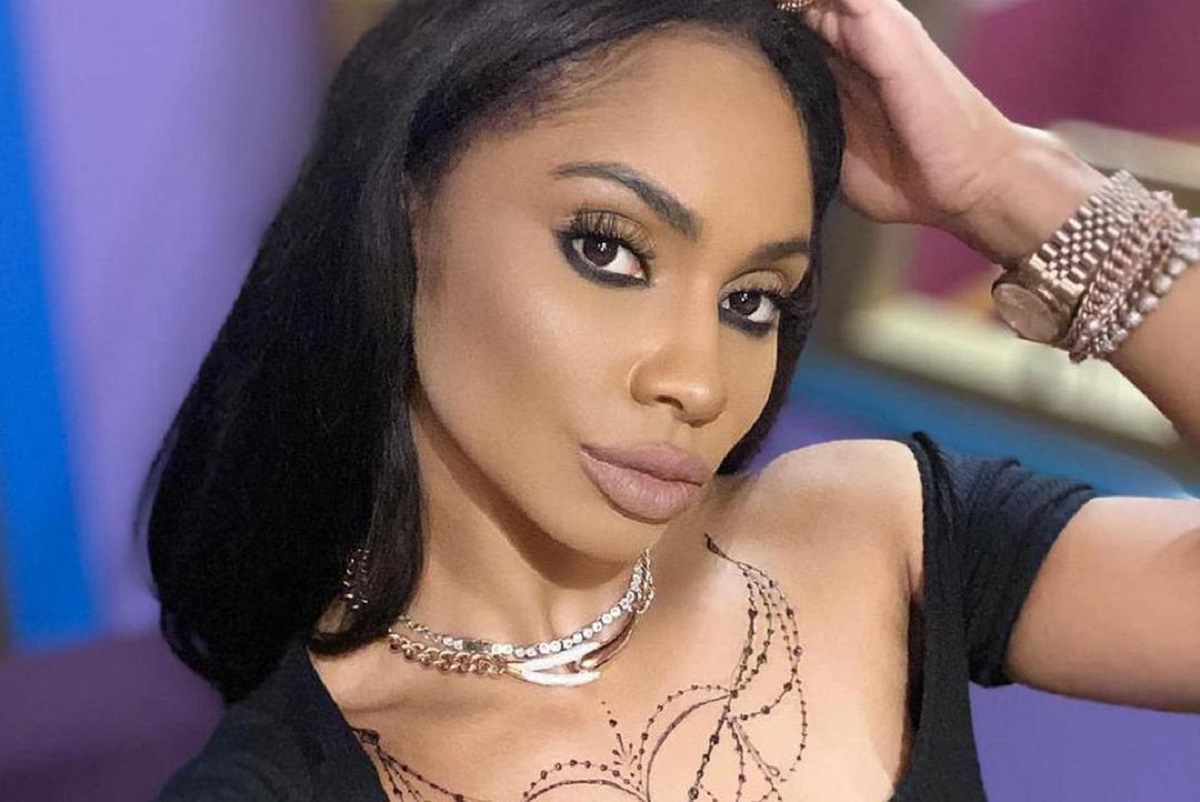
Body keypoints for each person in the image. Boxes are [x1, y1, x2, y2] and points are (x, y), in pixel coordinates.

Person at [147, 0, 1200, 799]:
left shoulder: (880, 534)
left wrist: (1004, 183)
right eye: (607, 250)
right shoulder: (282, 780)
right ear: (406, 209)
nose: (697, 383)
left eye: (752, 300)